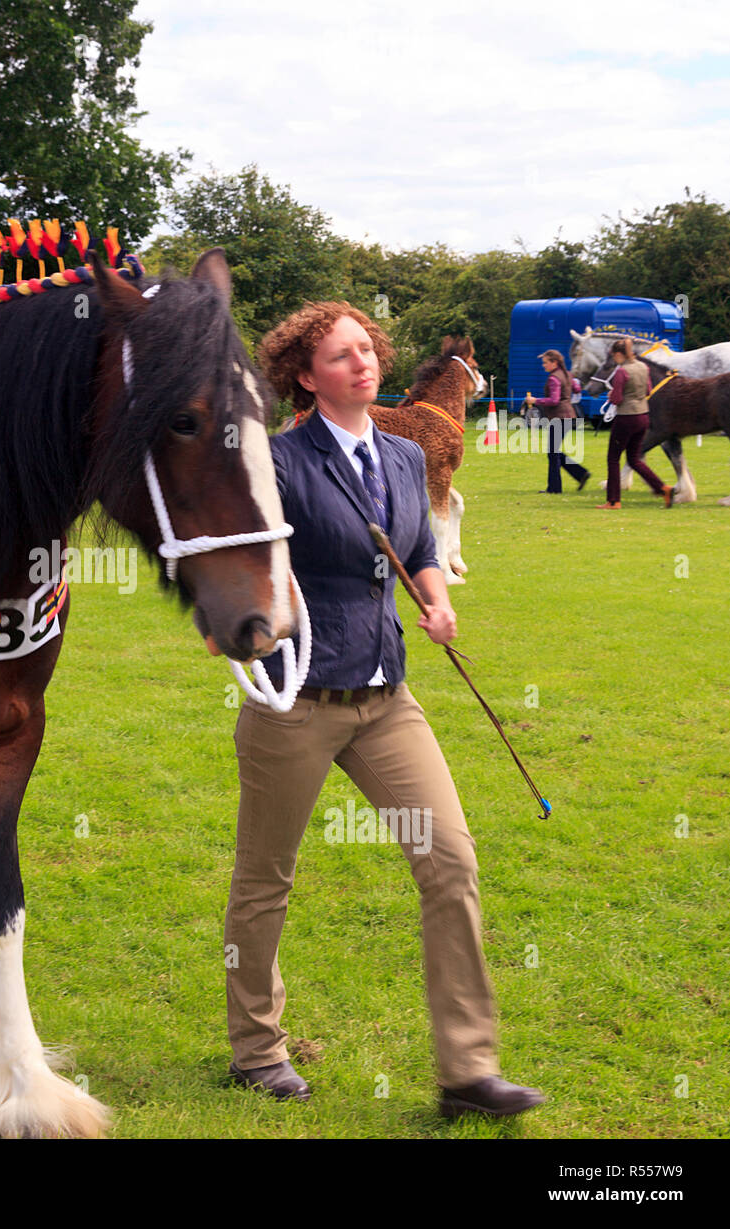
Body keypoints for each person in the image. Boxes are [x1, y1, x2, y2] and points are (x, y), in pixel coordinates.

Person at [220, 302, 545, 1118]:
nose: (362, 363)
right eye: (340, 355)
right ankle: (257, 1051)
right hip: (296, 698)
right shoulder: (279, 460)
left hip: (387, 696)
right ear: (305, 374)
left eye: (367, 349)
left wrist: (436, 603)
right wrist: (245, 627)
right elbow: (240, 561)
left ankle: (468, 1071)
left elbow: (423, 550)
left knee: (451, 862)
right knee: (266, 879)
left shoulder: (404, 455)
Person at [598, 338, 674, 510]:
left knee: (613, 459)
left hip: (626, 417)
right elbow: (648, 390)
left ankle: (613, 500)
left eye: (614, 356)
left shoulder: (622, 372)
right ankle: (663, 488)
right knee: (634, 459)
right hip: (643, 416)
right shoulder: (643, 367)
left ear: (619, 354)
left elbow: (617, 399)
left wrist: (611, 396)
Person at [524, 349, 590, 493]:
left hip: (559, 418)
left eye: (546, 363)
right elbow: (577, 389)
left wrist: (535, 400)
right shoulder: (568, 375)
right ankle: (580, 473)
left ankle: (555, 488)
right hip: (569, 416)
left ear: (555, 362)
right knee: (554, 452)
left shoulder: (553, 378)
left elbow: (554, 400)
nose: (544, 366)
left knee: (553, 453)